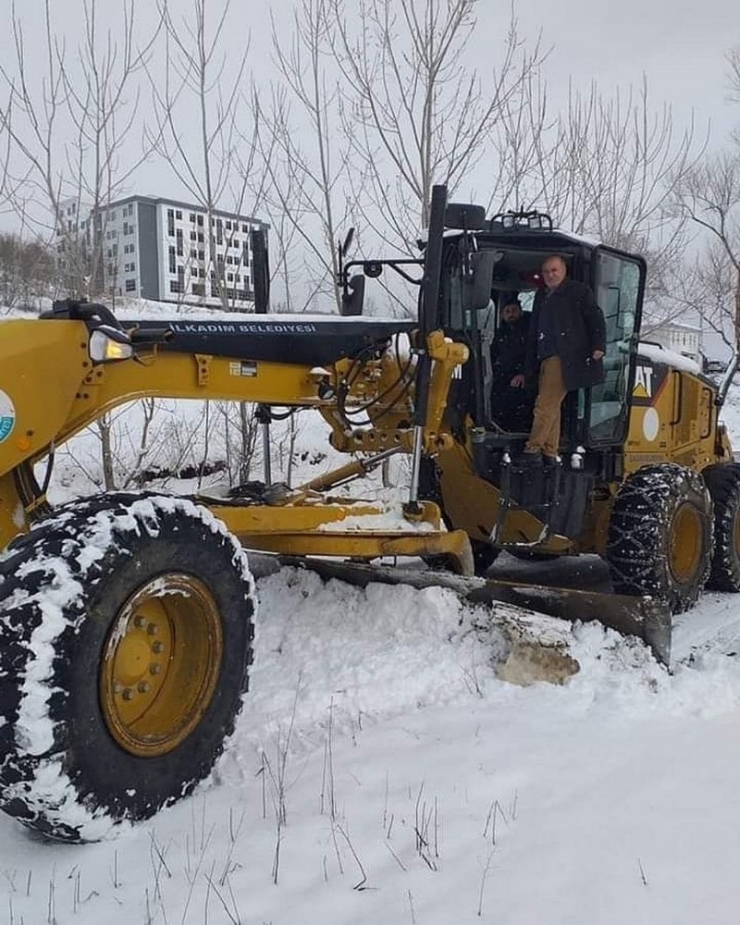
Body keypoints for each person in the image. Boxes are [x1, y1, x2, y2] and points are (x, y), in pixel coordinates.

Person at [513, 254, 605, 465]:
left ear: (564, 270)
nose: (550, 275)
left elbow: (595, 317)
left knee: (544, 404)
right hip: (545, 355)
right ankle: (549, 450)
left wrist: (598, 345)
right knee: (552, 405)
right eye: (546, 272)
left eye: (554, 270)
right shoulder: (542, 295)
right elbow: (535, 329)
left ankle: (533, 449)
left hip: (566, 356)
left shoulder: (578, 292)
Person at [490, 299, 533, 431]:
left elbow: (531, 355)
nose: (511, 314)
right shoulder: (501, 332)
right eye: (507, 312)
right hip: (503, 374)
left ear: (521, 311)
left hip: (522, 376)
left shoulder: (529, 331)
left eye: (514, 311)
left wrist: (523, 374)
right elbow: (494, 353)